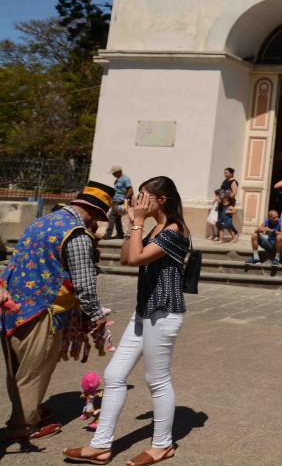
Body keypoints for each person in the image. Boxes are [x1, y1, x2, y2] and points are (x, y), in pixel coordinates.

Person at [63, 176, 191, 466]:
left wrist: (137, 223)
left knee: (157, 380)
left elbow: (136, 259)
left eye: (145, 196)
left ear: (162, 200)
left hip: (164, 312)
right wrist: (134, 224)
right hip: (144, 311)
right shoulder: (154, 228)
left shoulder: (175, 230)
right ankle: (100, 446)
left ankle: (162, 445)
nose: (138, 201)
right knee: (114, 376)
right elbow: (126, 257)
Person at [2, 182, 114, 442]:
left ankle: (27, 411)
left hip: (11, 306)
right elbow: (84, 283)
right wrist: (96, 315)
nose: (96, 223)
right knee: (35, 368)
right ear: (93, 212)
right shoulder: (76, 234)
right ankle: (23, 426)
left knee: (17, 368)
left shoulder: (41, 222)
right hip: (43, 309)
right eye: (98, 217)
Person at [103, 165, 133, 240]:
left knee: (111, 217)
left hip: (120, 201)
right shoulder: (118, 179)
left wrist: (123, 198)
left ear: (119, 172)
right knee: (117, 218)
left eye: (114, 173)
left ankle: (108, 234)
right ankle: (120, 234)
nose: (113, 174)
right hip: (115, 200)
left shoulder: (125, 179)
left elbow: (130, 190)